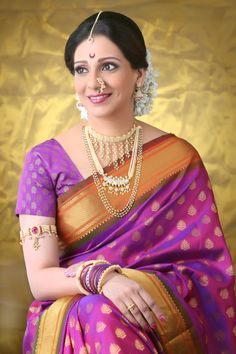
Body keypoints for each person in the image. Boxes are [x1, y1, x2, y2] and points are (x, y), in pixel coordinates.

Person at [16, 11, 236, 354]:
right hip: (75, 307)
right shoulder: (44, 161)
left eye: (108, 66)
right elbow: (40, 279)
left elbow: (206, 270)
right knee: (98, 310)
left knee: (109, 310)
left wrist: (133, 286)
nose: (94, 83)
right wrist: (103, 279)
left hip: (160, 308)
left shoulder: (179, 158)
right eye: (81, 69)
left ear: (139, 73)